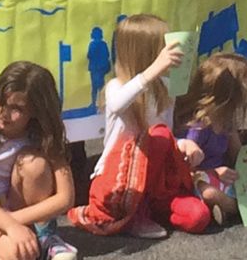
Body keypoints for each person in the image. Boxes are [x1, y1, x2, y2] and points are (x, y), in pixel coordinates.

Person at [67, 14, 206, 236]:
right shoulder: (116, 86)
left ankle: (152, 210)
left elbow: (166, 134)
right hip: (119, 185)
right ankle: (134, 216)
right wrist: (153, 71)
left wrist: (183, 143)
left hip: (155, 183)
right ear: (148, 52)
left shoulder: (167, 87)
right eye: (163, 47)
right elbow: (118, 104)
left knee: (197, 216)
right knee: (158, 135)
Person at [0, 62, 77, 260]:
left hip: (18, 211)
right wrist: (8, 225)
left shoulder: (44, 132)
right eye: (0, 102)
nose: (4, 113)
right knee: (20, 254)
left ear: (37, 111)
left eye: (16, 108)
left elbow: (65, 198)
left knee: (34, 164)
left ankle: (45, 236)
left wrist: (12, 221)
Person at [173, 54, 247, 225]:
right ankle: (237, 209)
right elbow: (187, 171)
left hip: (223, 178)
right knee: (210, 193)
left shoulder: (226, 119)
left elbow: (239, 154)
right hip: (200, 179)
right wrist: (214, 172)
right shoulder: (199, 128)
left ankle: (223, 210)